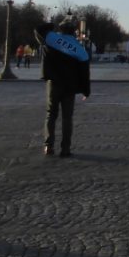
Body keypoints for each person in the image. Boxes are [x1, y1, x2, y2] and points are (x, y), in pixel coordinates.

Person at [36, 18, 91, 157]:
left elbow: (38, 30)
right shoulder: (79, 48)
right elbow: (85, 72)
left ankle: (48, 146)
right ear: (74, 32)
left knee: (50, 114)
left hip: (53, 83)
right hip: (70, 86)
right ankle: (65, 148)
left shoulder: (51, 38)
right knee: (67, 118)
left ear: (60, 30)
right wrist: (86, 90)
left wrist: (51, 25)